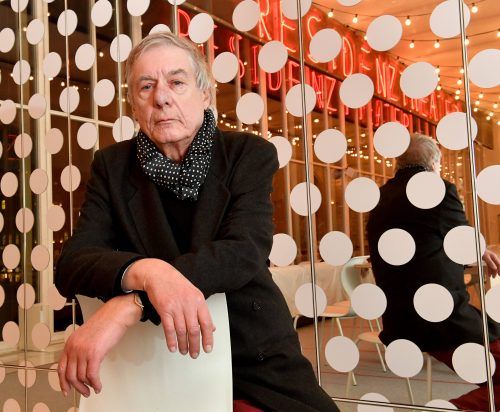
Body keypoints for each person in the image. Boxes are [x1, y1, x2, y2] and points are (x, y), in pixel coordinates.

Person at [55, 32, 338, 412]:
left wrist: (135, 302)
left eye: (176, 82)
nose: (161, 97)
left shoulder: (247, 154)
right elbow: (73, 263)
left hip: (248, 353)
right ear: (134, 106)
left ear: (205, 94)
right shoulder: (112, 166)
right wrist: (148, 272)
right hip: (155, 360)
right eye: (146, 87)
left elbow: (243, 251)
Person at [367, 133, 500, 410]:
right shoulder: (436, 189)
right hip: (441, 318)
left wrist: (478, 249)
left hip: (400, 318)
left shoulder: (381, 196)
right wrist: (479, 249)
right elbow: (462, 238)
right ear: (434, 163)